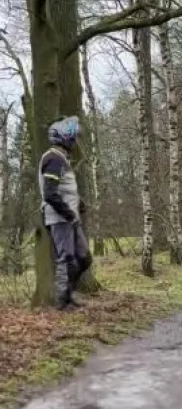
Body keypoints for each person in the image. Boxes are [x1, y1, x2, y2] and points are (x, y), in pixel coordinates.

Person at [38, 115, 93, 310]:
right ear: (64, 136)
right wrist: (69, 213)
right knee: (67, 259)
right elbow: (50, 193)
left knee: (84, 257)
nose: (76, 140)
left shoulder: (62, 158)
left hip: (70, 217)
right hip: (59, 218)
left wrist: (79, 204)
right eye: (73, 136)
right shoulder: (53, 158)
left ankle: (68, 293)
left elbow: (65, 189)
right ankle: (62, 303)